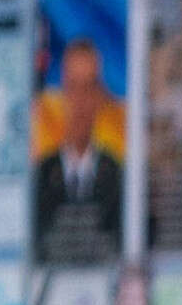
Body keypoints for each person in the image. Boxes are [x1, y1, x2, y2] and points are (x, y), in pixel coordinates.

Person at [32, 32, 124, 263]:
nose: (80, 101)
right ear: (62, 93)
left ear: (99, 96)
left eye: (89, 87)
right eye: (73, 87)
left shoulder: (118, 177)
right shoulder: (40, 177)